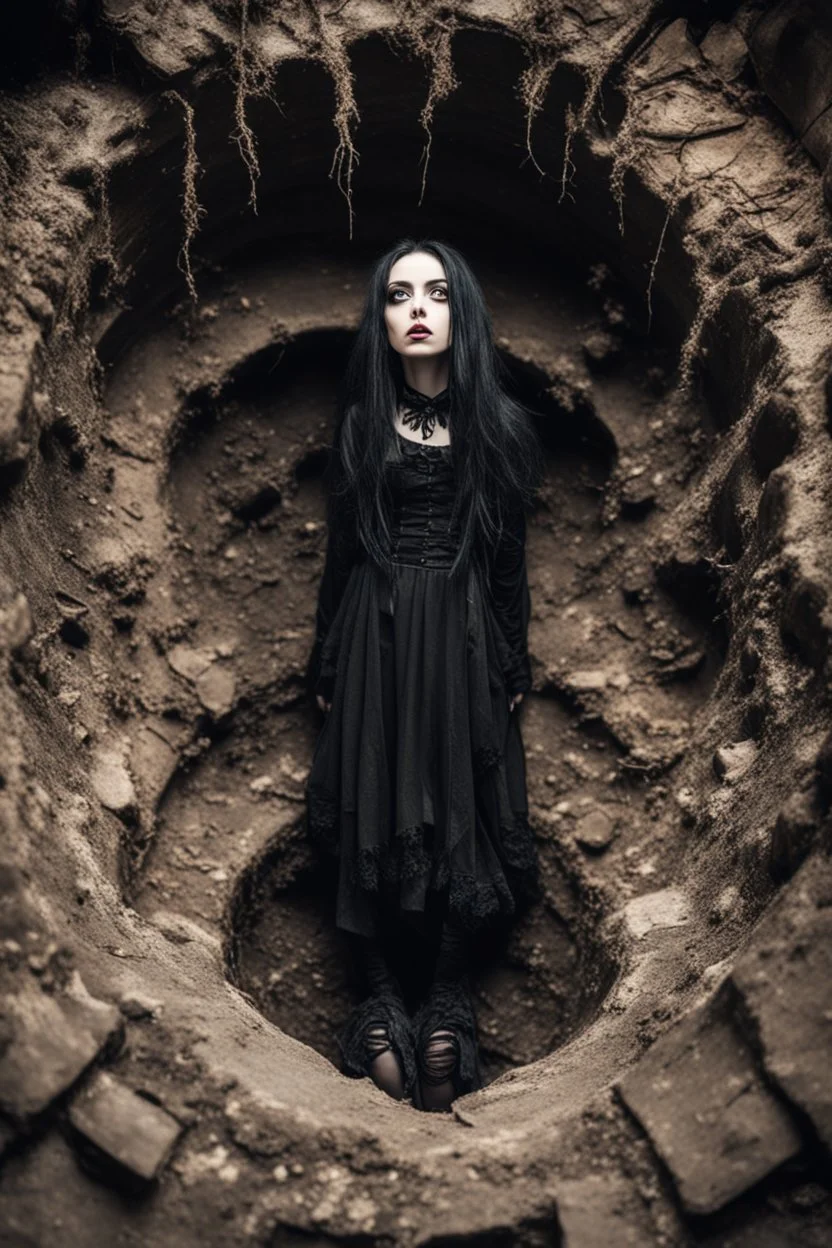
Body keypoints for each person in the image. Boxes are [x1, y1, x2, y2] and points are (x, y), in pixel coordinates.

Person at [304, 238, 543, 1112]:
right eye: (398, 295)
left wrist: (513, 659)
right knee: (366, 797)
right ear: (381, 318)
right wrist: (327, 658)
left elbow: (510, 561)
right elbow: (340, 555)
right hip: (376, 631)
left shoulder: (498, 428)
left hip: (465, 632)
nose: (415, 308)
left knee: (463, 809)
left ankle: (443, 1002)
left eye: (435, 293)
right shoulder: (365, 425)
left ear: (459, 312)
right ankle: (382, 1003)